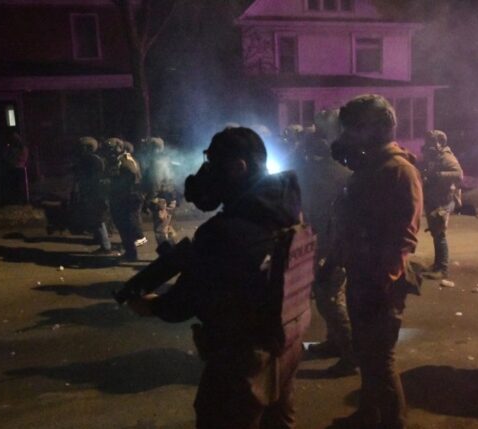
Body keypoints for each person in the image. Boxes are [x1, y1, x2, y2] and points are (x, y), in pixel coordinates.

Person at [127, 127, 311, 428]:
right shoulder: (286, 208)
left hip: (242, 361)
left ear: (239, 167)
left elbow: (183, 303)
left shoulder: (223, 232)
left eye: (213, 164)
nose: (206, 173)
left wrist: (150, 305)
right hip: (285, 345)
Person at [329, 95, 423, 429]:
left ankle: (393, 422)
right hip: (360, 274)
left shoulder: (399, 170)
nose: (350, 135)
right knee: (365, 353)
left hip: (380, 282)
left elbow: (404, 235)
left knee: (380, 359)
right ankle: (369, 413)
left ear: (381, 128)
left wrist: (384, 280)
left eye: (357, 127)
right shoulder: (369, 167)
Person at [296, 109, 357, 377]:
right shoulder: (341, 173)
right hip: (330, 241)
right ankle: (336, 343)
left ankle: (351, 355)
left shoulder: (322, 174)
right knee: (333, 297)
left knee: (329, 300)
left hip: (330, 245)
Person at [420, 130, 463, 280]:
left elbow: (459, 174)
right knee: (435, 233)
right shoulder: (433, 157)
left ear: (440, 142)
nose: (428, 145)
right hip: (433, 199)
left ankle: (442, 268)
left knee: (440, 234)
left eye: (432, 141)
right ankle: (438, 264)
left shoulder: (446, 157)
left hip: (443, 201)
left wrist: (439, 176)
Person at [73, 137, 120, 257]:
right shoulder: (96, 159)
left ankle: (106, 246)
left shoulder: (90, 160)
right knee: (97, 218)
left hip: (95, 194)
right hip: (97, 193)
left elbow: (90, 178)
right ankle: (100, 240)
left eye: (82, 146)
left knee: (98, 219)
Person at [103, 138, 144, 261]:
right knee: (123, 226)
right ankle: (130, 252)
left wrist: (112, 184)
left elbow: (131, 178)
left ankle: (132, 253)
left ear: (118, 149)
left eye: (110, 150)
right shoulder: (120, 160)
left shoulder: (125, 161)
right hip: (123, 198)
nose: (108, 153)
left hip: (126, 199)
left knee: (126, 226)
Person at [142, 137, 178, 248]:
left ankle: (167, 257)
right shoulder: (166, 159)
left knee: (160, 230)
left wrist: (147, 201)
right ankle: (175, 251)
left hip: (161, 200)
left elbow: (155, 185)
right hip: (169, 198)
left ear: (154, 148)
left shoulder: (156, 162)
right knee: (167, 227)